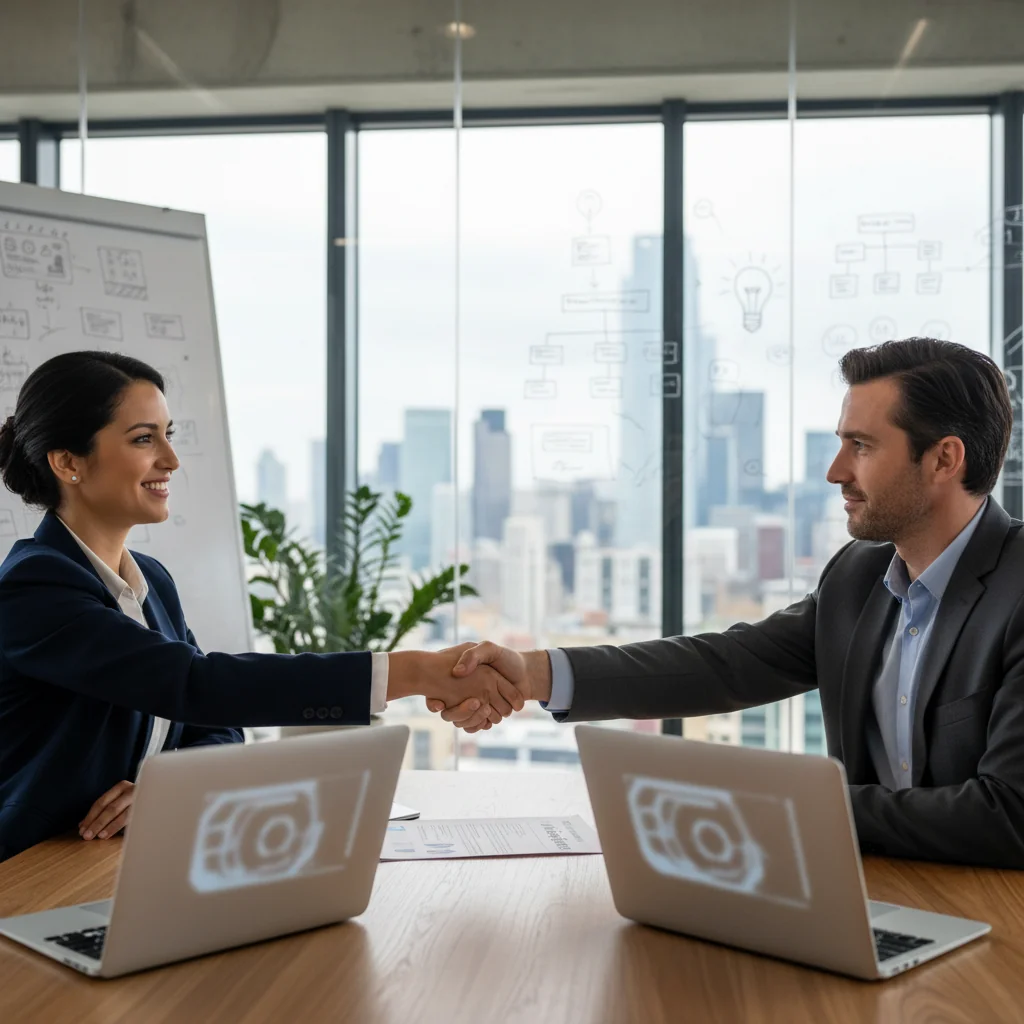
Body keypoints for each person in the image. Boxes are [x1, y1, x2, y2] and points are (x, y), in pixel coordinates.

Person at [434, 337, 1024, 869]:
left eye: (861, 446)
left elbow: (1007, 816)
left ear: (945, 459)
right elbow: (726, 663)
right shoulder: (859, 577)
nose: (834, 471)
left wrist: (791, 805)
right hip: (878, 894)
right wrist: (534, 673)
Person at [0, 351, 520, 862]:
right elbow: (196, 687)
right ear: (68, 462)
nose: (171, 460)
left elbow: (214, 725)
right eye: (143, 438)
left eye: (168, 435)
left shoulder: (150, 581)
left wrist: (168, 788)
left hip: (120, 859)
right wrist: (414, 672)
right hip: (29, 870)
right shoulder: (34, 587)